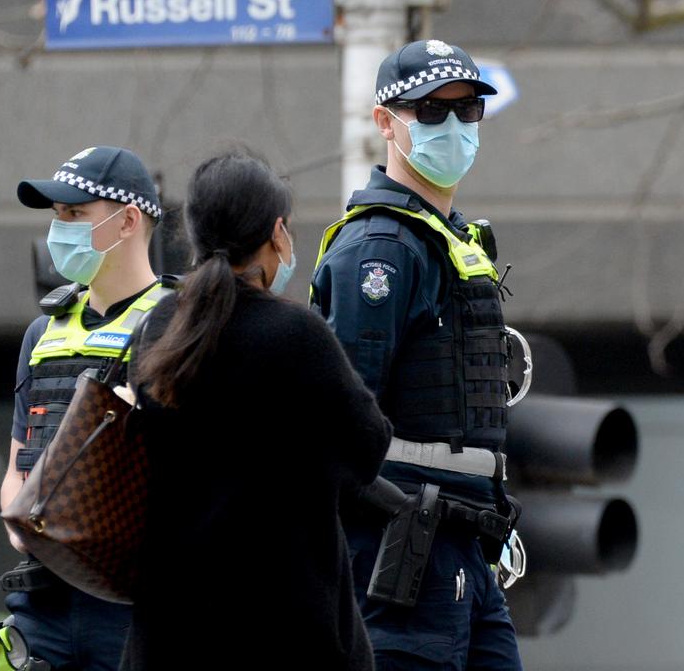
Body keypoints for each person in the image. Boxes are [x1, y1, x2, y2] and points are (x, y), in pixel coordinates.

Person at [120, 150, 392, 670]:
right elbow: (368, 447)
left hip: (171, 636)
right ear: (276, 234)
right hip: (287, 632)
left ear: (196, 235)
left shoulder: (159, 328)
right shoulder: (297, 335)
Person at [311, 39, 523, 670]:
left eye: (467, 110)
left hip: (467, 547)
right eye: (431, 110)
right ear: (385, 121)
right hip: (399, 555)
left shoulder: (454, 240)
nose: (453, 126)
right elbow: (341, 425)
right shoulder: (379, 247)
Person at [0, 146, 170, 671]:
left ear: (128, 220)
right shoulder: (42, 332)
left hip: (128, 606)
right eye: (57, 215)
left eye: (75, 213)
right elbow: (15, 468)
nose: (60, 228)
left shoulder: (174, 324)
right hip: (38, 603)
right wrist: (21, 523)